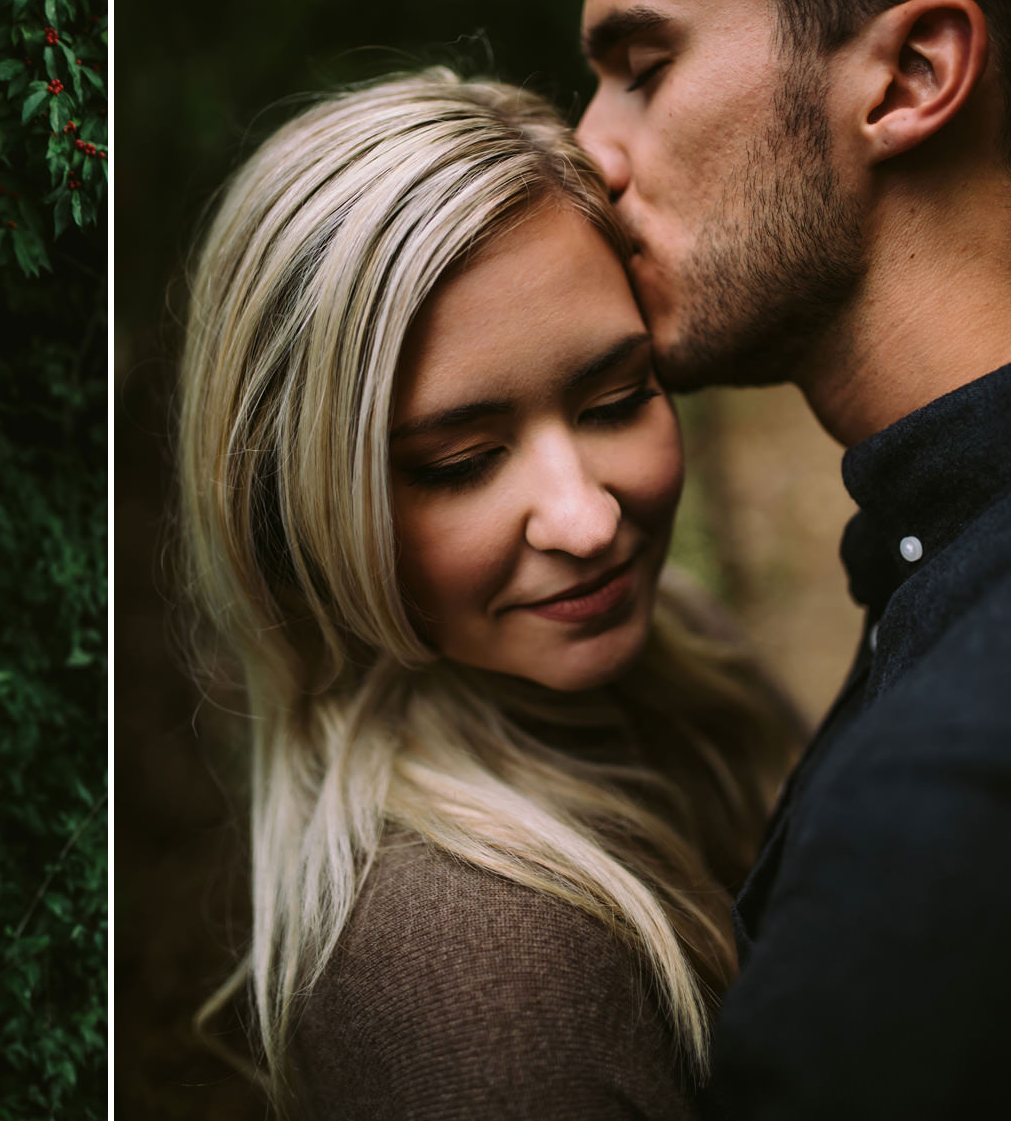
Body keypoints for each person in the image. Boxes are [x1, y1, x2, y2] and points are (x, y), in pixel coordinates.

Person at [176, 71, 801, 1118]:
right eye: (460, 461)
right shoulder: (473, 968)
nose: (588, 520)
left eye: (617, 397)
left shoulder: (686, 645)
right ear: (292, 509)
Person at [577, 0, 1011, 1113]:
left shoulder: (942, 798)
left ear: (911, 75)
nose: (586, 148)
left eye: (641, 68)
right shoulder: (936, 590)